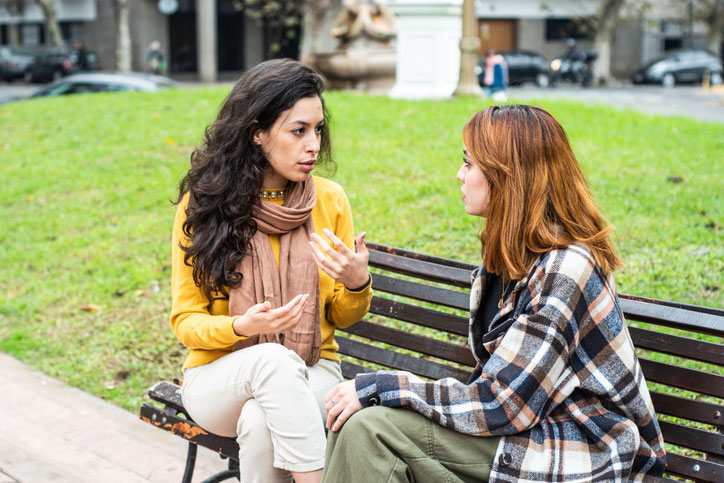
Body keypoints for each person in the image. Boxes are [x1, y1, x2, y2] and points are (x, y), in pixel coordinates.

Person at [322, 104, 666, 482]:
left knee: (368, 428)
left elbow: (505, 402)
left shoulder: (567, 268)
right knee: (355, 424)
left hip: (580, 451)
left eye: (469, 164)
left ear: (507, 175)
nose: (459, 175)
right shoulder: (508, 256)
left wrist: (385, 386)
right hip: (523, 434)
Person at [171, 58, 372, 483]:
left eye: (318, 130)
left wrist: (357, 284)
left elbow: (340, 316)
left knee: (263, 421)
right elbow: (186, 322)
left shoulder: (329, 201)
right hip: (217, 375)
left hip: (314, 369)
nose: (314, 144)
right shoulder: (205, 206)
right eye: (298, 130)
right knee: (272, 362)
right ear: (257, 132)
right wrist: (240, 327)